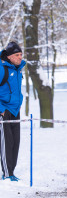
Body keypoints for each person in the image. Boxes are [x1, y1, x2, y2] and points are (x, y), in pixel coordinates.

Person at [0, 42, 26, 181]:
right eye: (17, 55)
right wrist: (1, 109)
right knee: (6, 142)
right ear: (9, 56)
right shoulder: (1, 68)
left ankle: (12, 172)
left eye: (21, 54)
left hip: (15, 110)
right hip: (3, 110)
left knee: (16, 142)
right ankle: (7, 174)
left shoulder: (18, 69)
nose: (20, 57)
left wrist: (19, 102)